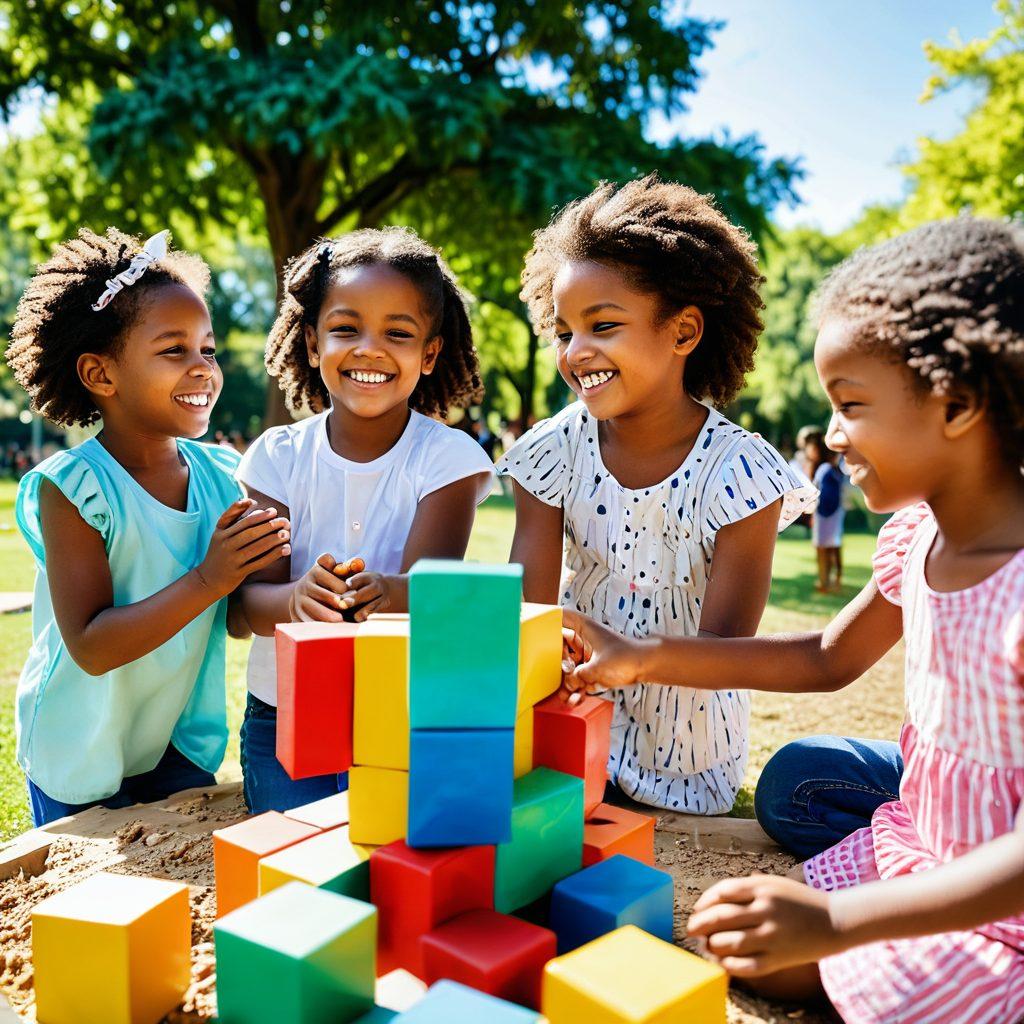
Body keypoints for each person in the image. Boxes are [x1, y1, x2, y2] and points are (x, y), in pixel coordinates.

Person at [559, 218, 1024, 1024]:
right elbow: (822, 660)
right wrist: (639, 656)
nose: (832, 437)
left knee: (874, 993)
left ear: (958, 404)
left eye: (851, 406)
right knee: (753, 952)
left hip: (1004, 896)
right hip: (923, 839)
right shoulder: (916, 537)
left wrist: (841, 921)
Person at [499, 175, 816, 815]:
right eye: (563, 332)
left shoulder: (741, 472)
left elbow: (728, 651)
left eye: (604, 325)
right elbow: (526, 611)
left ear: (684, 332)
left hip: (686, 758)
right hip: (563, 730)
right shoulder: (552, 450)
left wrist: (635, 662)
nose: (577, 351)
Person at [6, 228, 289, 826]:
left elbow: (238, 617)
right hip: (80, 742)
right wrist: (212, 577)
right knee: (92, 905)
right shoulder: (76, 488)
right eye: (173, 351)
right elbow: (90, 646)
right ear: (100, 375)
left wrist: (294, 582)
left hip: (176, 738)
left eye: (207, 350)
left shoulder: (223, 476)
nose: (203, 369)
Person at [235, 227, 495, 814]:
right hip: (284, 711)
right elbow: (248, 608)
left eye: (398, 334)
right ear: (310, 342)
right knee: (293, 873)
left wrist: (384, 592)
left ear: (429, 354)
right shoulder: (275, 457)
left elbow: (431, 595)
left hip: (399, 710)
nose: (369, 349)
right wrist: (298, 599)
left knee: (386, 870)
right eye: (345, 328)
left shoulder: (452, 461)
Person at [807, 433, 846, 592]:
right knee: (834, 547)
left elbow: (818, 493)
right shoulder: (835, 470)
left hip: (824, 514)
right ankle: (833, 580)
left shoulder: (823, 469)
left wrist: (814, 513)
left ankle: (824, 582)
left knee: (822, 549)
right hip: (835, 513)